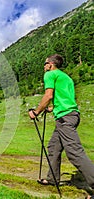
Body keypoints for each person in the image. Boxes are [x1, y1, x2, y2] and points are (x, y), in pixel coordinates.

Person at [28, 54, 94, 199]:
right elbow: (65, 99)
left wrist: (36, 112)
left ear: (51, 64)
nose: (44, 66)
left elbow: (48, 96)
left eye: (45, 63)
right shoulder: (66, 77)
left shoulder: (50, 74)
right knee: (53, 147)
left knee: (74, 152)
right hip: (70, 115)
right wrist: (53, 108)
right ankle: (52, 179)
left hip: (65, 119)